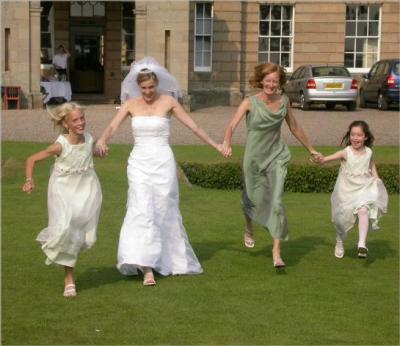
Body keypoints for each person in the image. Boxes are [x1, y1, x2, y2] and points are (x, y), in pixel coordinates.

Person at [96, 57, 224, 286]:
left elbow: (193, 126)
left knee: (164, 207)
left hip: (163, 161)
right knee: (141, 207)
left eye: (151, 87)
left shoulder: (168, 102)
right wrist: (103, 140)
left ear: (157, 84)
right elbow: (113, 126)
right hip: (139, 162)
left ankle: (167, 259)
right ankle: (146, 266)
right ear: (138, 87)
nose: (147, 92)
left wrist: (216, 145)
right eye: (144, 88)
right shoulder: (130, 105)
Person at [221, 62, 321, 268]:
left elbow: (295, 127)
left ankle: (276, 252)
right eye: (268, 80)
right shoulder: (249, 102)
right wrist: (226, 143)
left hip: (276, 156)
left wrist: (311, 149)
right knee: (251, 200)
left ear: (280, 82)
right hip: (254, 159)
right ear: (261, 81)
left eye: (275, 81)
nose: (271, 84)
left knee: (276, 202)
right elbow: (231, 125)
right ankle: (248, 225)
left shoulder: (284, 101)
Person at [22, 102, 102, 297]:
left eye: (82, 118)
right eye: (75, 120)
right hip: (62, 190)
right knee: (66, 230)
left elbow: (94, 152)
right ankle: (69, 280)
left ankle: (66, 248)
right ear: (66, 124)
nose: (81, 122)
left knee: (88, 239)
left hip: (86, 189)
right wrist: (29, 180)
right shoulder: (60, 145)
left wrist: (101, 151)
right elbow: (31, 159)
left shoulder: (90, 139)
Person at [315, 120, 388, 259]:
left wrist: (377, 180)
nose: (355, 138)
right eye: (353, 134)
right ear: (349, 136)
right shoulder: (346, 152)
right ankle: (339, 241)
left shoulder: (369, 152)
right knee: (340, 221)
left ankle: (361, 243)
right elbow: (326, 159)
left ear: (365, 137)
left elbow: (372, 166)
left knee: (363, 209)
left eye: (359, 135)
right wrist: (320, 159)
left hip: (363, 189)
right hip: (345, 191)